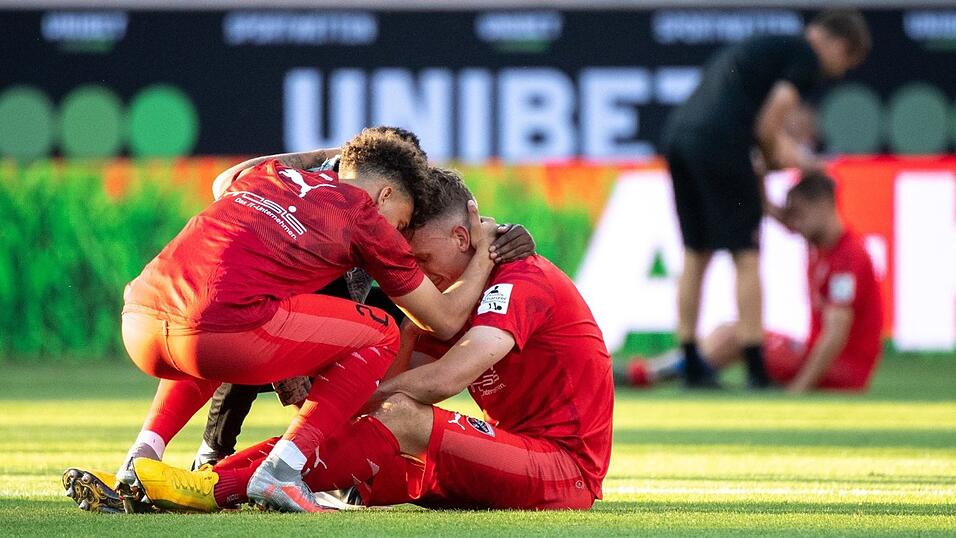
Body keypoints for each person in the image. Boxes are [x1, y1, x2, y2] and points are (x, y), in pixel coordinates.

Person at [118, 167, 614, 512]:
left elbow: (448, 377)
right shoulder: (451, 296)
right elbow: (386, 382)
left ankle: (215, 487)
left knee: (399, 415)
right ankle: (187, 483)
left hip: (562, 468)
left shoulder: (519, 281)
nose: (410, 277)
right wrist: (328, 394)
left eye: (418, 260)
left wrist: (354, 394)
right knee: (336, 430)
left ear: (464, 239)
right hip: (506, 453)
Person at [662, 9, 870, 388]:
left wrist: (770, 180)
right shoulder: (804, 57)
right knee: (746, 255)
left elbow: (756, 128)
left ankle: (691, 361)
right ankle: (756, 368)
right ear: (838, 43)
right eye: (845, 61)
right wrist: (791, 161)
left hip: (680, 138)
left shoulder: (764, 47)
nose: (838, 72)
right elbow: (769, 123)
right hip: (722, 144)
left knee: (696, 253)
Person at [617, 172, 882, 393]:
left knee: (738, 335)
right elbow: (782, 217)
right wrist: (757, 179)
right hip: (823, 358)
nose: (794, 224)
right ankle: (653, 371)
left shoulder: (848, 258)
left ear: (824, 205)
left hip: (845, 370)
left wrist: (799, 389)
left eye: (798, 214)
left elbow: (836, 335)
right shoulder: (824, 245)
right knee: (731, 330)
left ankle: (649, 374)